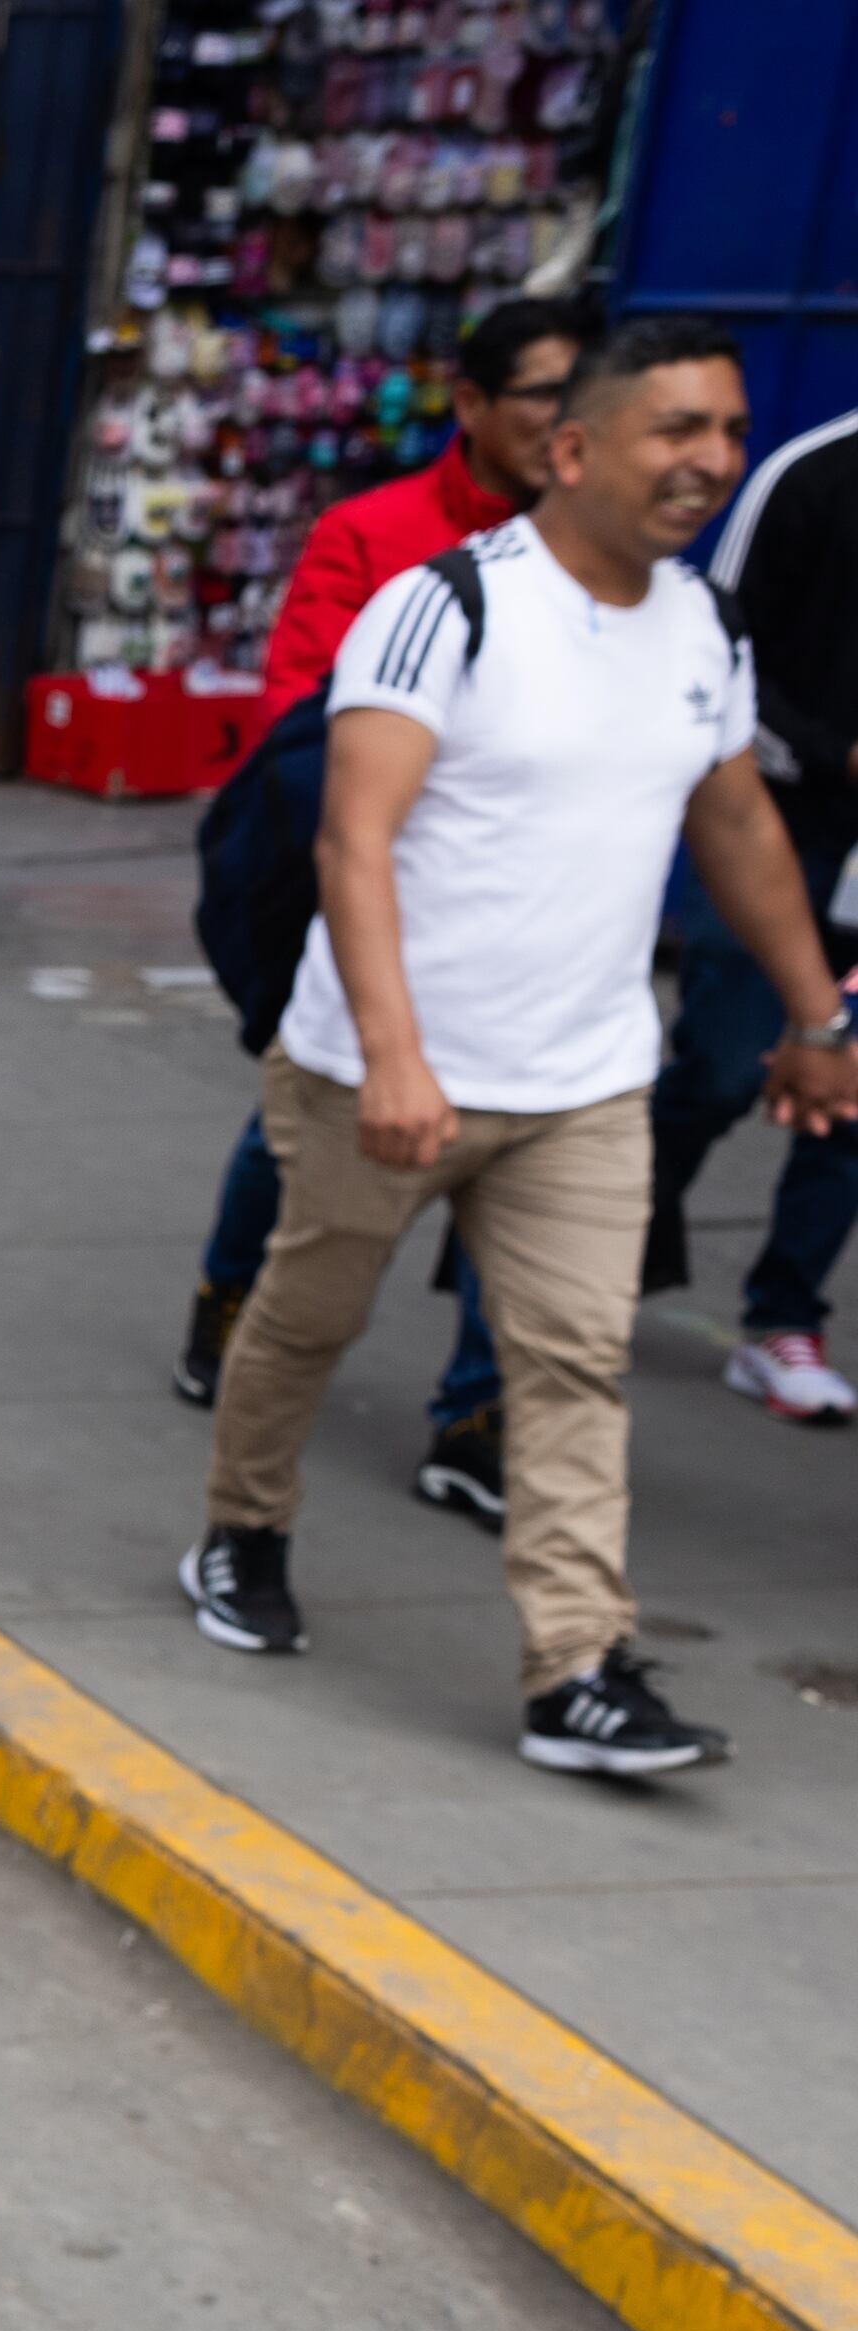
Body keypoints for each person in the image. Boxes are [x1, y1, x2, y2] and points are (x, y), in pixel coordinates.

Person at [181, 317, 858, 1775]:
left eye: (728, 431)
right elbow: (351, 835)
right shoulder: (447, 607)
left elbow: (734, 821)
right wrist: (394, 1052)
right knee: (306, 1322)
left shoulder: (701, 628)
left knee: (569, 1366)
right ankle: (241, 1533)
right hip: (386, 1068)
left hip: (584, 1083)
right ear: (571, 449)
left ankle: (578, 1669)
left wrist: (818, 1016)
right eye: (676, 430)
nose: (712, 462)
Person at [169, 297, 587, 1486]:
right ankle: (228, 1298)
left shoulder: (611, 565)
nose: (570, 422)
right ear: (470, 405)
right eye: (546, 395)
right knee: (300, 1123)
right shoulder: (374, 536)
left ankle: (474, 1416)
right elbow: (300, 726)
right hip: (375, 903)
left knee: (522, 1168)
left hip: (541, 937)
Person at [646, 392, 858, 1423]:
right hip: (778, 830)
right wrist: (831, 755)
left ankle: (782, 1319)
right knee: (722, 1064)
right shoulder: (811, 476)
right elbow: (719, 663)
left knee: (852, 1105)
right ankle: (608, 1245)